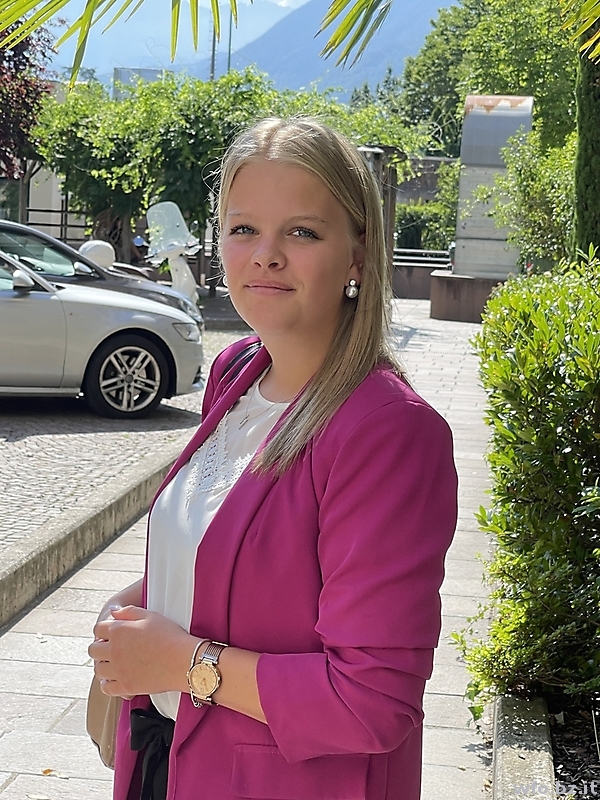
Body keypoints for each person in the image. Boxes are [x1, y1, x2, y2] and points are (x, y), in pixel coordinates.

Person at [89, 117, 458, 800]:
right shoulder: (236, 373)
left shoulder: (388, 433)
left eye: (302, 232)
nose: (265, 255)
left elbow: (372, 701)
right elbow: (243, 562)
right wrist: (137, 605)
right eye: (243, 228)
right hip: (168, 764)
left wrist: (182, 663)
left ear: (358, 255)